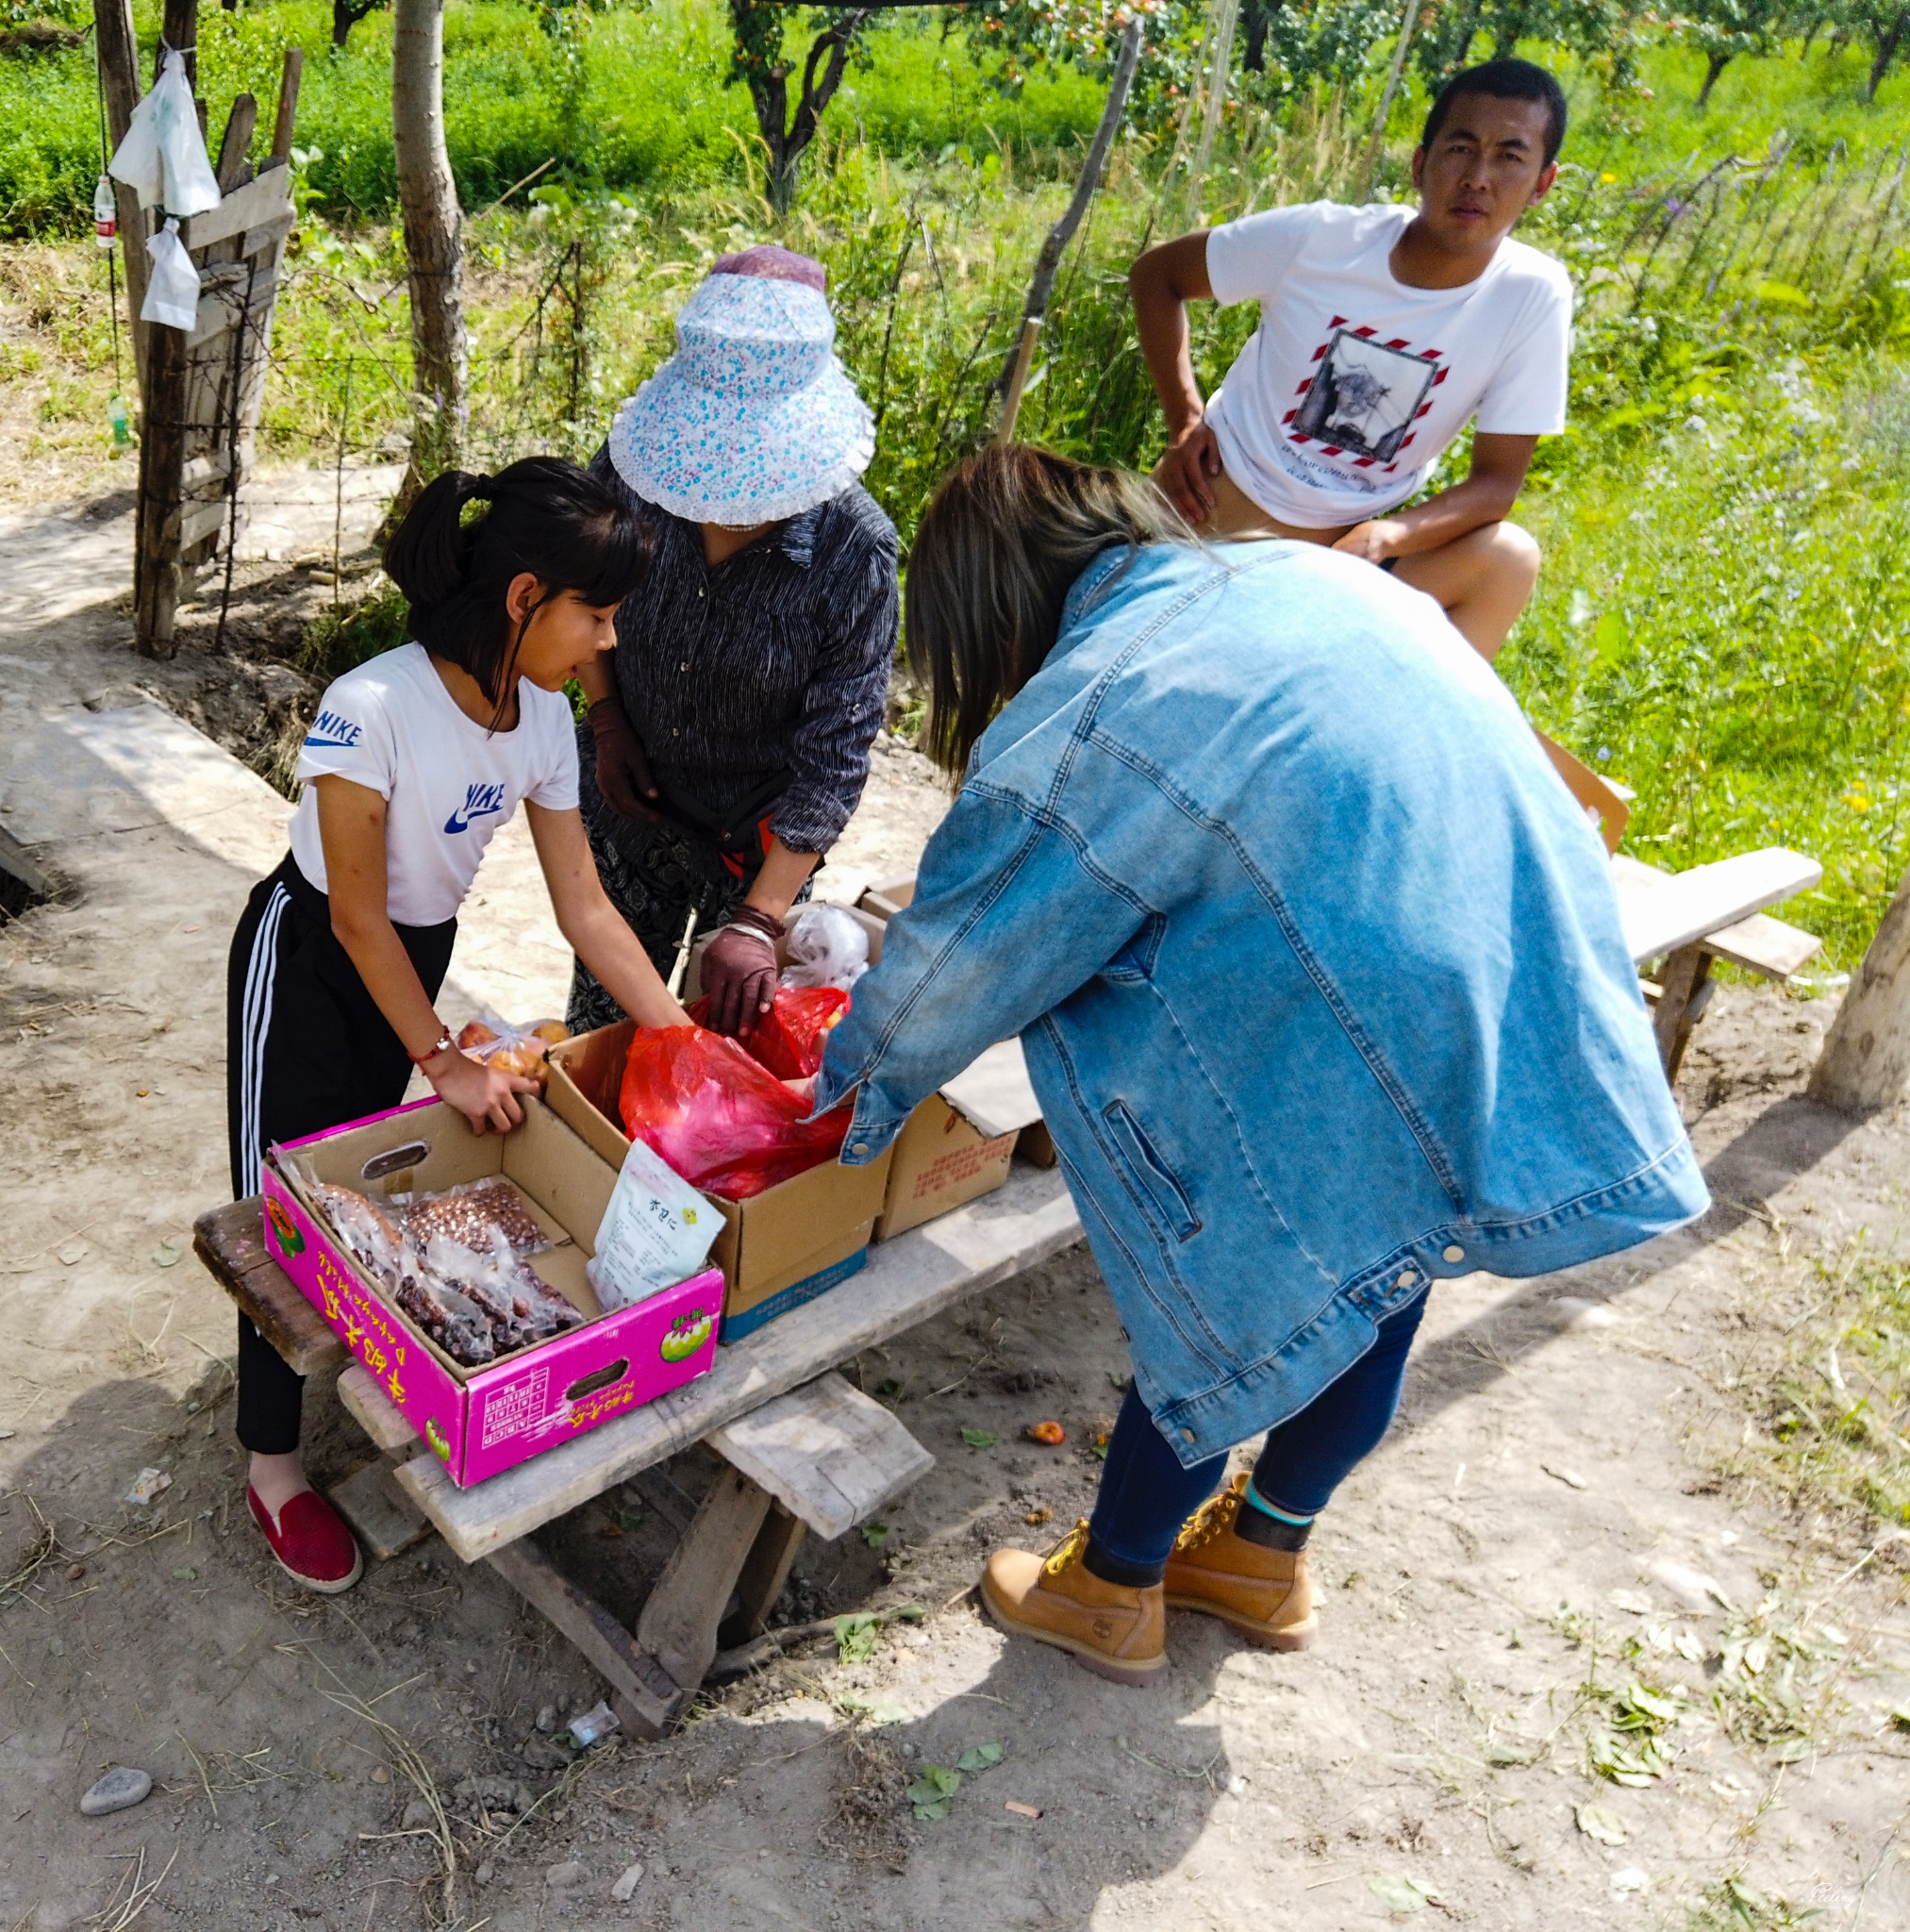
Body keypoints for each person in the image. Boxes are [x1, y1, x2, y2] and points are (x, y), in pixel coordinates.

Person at [812, 445, 1707, 1685]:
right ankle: (1263, 1557)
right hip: (1500, 945)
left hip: (1358, 991)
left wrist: (842, 1084)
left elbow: (962, 961)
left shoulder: (1099, 700)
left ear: (986, 609)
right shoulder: (1293, 573)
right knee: (1393, 1252)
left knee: (1239, 1270)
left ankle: (1114, 1586)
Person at [226, 458, 689, 1593]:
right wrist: (442, 1057)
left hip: (409, 954)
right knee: (277, 1209)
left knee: (361, 1195)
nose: (609, 642)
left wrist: (681, 1038)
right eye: (598, 613)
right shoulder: (373, 705)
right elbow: (350, 910)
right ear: (528, 595)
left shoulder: (541, 720)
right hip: (308, 960)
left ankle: (340, 1376)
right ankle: (272, 1465)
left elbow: (585, 905)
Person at [1130, 58, 1570, 658]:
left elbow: (1496, 484)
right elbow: (1157, 276)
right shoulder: (1322, 240)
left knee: (1508, 560)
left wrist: (1389, 534)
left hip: (1339, 561)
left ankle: (1403, 742)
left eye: (1510, 156)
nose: (1478, 178)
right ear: (1420, 165)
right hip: (1208, 512)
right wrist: (1184, 421)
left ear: (1543, 184)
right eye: (1460, 149)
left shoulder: (1531, 296)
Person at [572, 245, 900, 1042]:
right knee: (604, 1032)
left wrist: (757, 921)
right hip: (629, 809)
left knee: (718, 1047)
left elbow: (835, 752)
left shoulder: (854, 553)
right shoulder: (627, 480)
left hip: (757, 844)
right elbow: (576, 604)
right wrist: (607, 717)